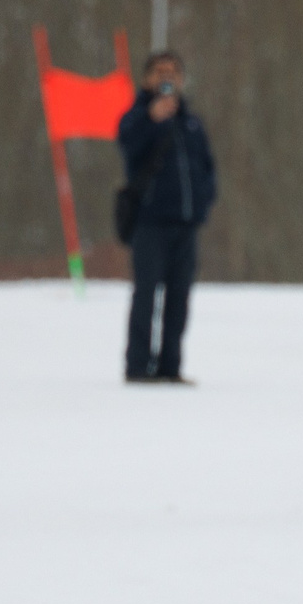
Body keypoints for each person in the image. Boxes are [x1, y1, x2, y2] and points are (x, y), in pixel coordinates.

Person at [114, 51, 218, 384]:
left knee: (179, 298)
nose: (166, 77)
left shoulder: (191, 123)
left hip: (186, 224)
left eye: (172, 71)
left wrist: (203, 201)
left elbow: (206, 167)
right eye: (159, 71)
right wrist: (150, 120)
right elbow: (127, 144)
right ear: (146, 79)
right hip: (151, 223)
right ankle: (138, 366)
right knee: (146, 295)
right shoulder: (136, 117)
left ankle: (170, 367)